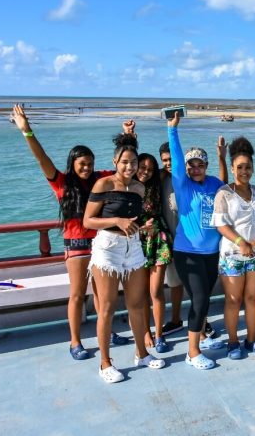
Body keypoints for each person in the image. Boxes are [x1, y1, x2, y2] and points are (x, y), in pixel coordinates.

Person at [11, 103, 128, 361]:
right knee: (77, 294)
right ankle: (75, 341)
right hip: (75, 246)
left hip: (100, 243)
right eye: (82, 163)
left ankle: (106, 333)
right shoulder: (61, 182)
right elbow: (42, 158)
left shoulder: (101, 180)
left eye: (90, 163)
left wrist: (129, 138)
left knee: (102, 293)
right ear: (73, 163)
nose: (86, 167)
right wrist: (27, 131)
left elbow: (125, 169)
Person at [83, 133, 166, 383]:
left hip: (133, 248)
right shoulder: (104, 185)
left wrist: (142, 227)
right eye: (125, 162)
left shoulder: (139, 188)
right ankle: (105, 362)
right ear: (115, 161)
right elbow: (88, 221)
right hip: (107, 248)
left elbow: (131, 221)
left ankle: (141, 353)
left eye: (134, 163)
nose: (130, 167)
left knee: (138, 304)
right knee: (107, 308)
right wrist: (116, 221)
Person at [167, 112, 227, 370]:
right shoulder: (182, 184)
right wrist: (172, 130)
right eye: (191, 165)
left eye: (199, 164)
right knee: (201, 300)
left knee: (201, 300)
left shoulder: (213, 183)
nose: (194, 168)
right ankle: (192, 353)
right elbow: (177, 162)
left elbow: (225, 184)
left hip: (212, 252)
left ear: (205, 166)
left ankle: (201, 336)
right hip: (187, 251)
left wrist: (222, 157)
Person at [213, 137, 255, 359]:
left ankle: (251, 339)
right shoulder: (224, 193)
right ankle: (232, 342)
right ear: (232, 169)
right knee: (234, 300)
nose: (244, 171)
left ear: (253, 169)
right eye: (239, 167)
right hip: (232, 255)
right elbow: (220, 224)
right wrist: (241, 243)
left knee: (253, 298)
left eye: (248, 167)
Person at [135, 153, 173, 353]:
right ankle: (146, 332)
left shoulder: (158, 180)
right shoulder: (129, 186)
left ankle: (159, 335)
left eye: (150, 169)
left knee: (155, 290)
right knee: (141, 293)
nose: (146, 172)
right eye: (142, 167)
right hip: (137, 241)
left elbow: (171, 164)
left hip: (159, 238)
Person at [158, 142, 184, 336]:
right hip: (172, 242)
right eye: (165, 160)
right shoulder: (161, 179)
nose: (168, 163)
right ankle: (176, 320)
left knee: (196, 286)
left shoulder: (189, 177)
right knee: (174, 283)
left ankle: (202, 322)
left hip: (191, 244)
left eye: (171, 159)